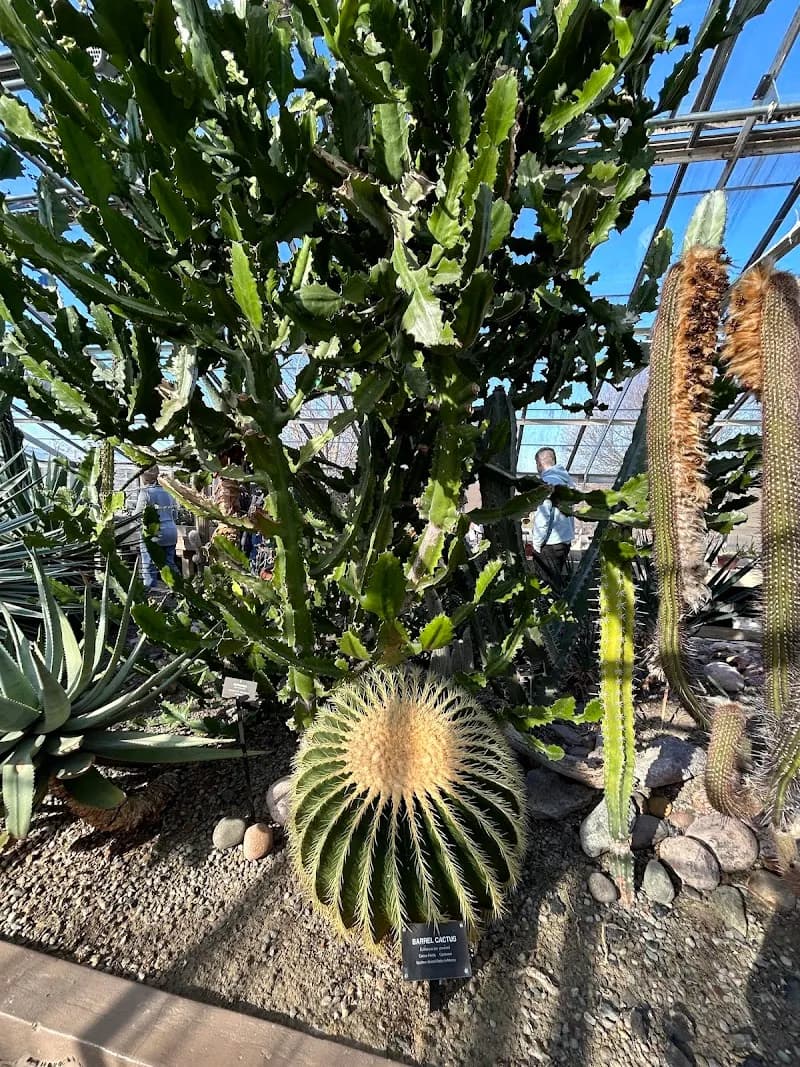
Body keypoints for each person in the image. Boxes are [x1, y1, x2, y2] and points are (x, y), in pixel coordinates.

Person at [531, 447, 575, 578]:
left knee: (545, 586)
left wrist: (537, 544)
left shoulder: (547, 482)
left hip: (549, 543)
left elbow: (543, 516)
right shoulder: (567, 482)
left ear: (540, 463)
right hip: (564, 541)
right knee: (555, 582)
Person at [134, 465, 179, 589]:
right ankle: (178, 589)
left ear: (144, 477)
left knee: (149, 565)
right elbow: (175, 514)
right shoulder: (169, 491)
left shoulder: (146, 492)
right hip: (171, 532)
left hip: (153, 534)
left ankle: (150, 593)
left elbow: (138, 515)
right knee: (169, 563)